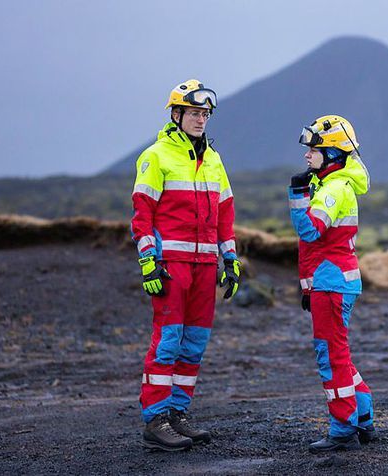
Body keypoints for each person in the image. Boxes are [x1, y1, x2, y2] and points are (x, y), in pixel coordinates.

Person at [130, 79, 241, 451]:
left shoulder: (214, 159)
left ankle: (177, 414)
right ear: (176, 115)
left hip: (205, 264)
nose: (201, 119)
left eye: (205, 114)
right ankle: (155, 420)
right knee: (167, 341)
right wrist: (148, 262)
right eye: (194, 113)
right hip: (171, 263)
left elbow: (225, 213)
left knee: (194, 343)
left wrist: (231, 258)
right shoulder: (156, 156)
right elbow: (142, 215)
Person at [288, 115, 375, 453]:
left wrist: (296, 195)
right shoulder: (332, 185)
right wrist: (309, 287)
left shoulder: (335, 188)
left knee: (331, 357)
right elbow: (316, 248)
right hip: (331, 283)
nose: (307, 155)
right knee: (339, 353)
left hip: (333, 284)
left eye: (315, 149)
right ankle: (363, 418)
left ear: (334, 154)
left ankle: (343, 429)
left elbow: (310, 231)